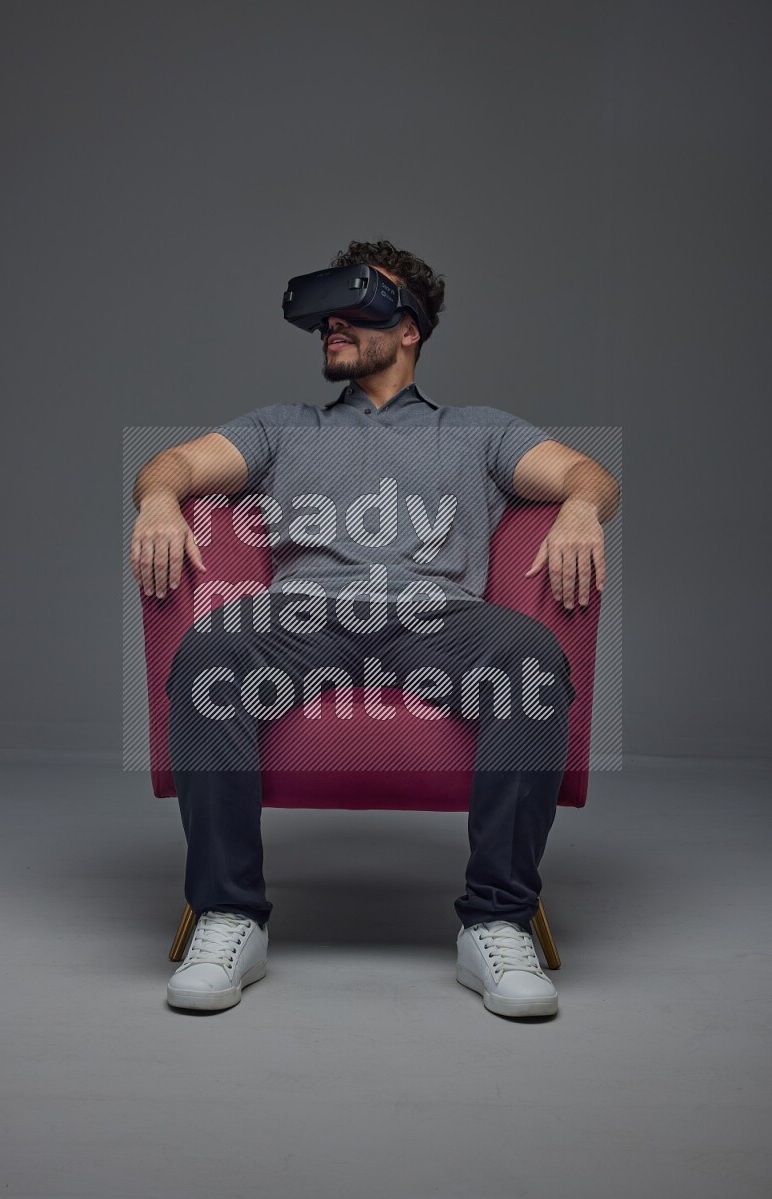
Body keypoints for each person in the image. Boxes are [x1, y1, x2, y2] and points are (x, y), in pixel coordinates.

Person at [130, 239, 620, 1019]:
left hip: (438, 617)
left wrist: (583, 508)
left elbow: (587, 473)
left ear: (409, 328)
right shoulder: (281, 428)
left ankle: (497, 919)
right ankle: (230, 915)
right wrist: (159, 500)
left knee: (530, 656)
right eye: (324, 314)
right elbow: (170, 465)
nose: (332, 324)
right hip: (303, 614)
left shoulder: (480, 431)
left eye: (355, 307)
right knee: (211, 650)